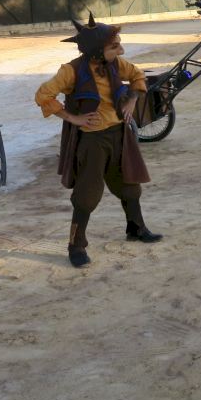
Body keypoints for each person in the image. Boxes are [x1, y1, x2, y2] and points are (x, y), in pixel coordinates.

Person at [35, 14, 161, 268]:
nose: (121, 50)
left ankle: (135, 228)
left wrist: (132, 100)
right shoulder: (71, 71)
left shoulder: (116, 64)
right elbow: (43, 95)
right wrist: (73, 118)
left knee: (130, 185)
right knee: (87, 195)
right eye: (115, 46)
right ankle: (76, 245)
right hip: (92, 141)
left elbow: (137, 75)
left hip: (119, 135)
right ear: (96, 50)